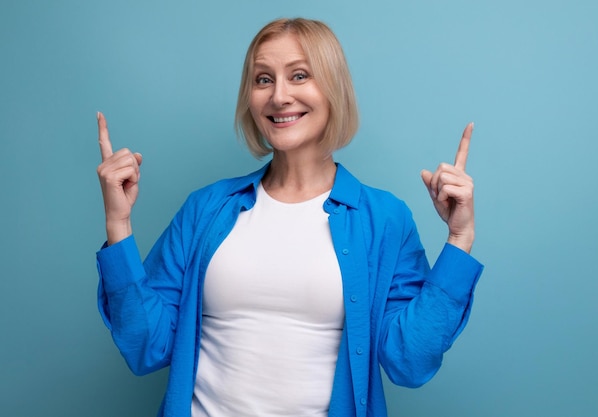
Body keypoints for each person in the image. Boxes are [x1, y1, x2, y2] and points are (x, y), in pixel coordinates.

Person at [96, 17, 483, 417]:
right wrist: (119, 227)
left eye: (299, 76)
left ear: (333, 89)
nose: (279, 96)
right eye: (263, 79)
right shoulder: (206, 208)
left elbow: (409, 361)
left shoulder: (384, 219)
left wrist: (460, 240)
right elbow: (146, 347)